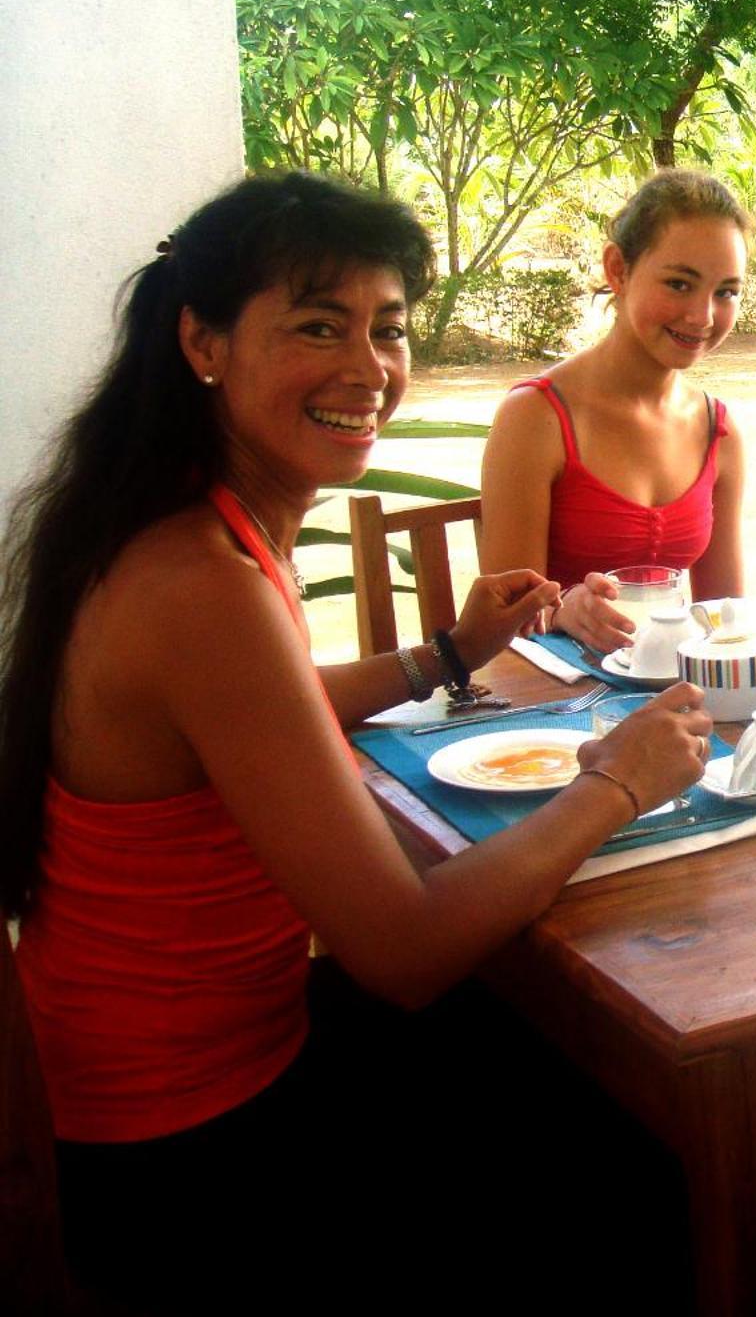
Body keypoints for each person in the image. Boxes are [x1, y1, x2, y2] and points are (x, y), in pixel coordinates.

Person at [0, 172, 713, 1311]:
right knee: (633, 1153)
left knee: (570, 1068)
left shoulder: (192, 527)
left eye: (388, 330)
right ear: (204, 342)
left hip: (191, 1068)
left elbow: (265, 710)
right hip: (181, 1151)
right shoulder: (199, 584)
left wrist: (443, 655)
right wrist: (613, 784)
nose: (368, 367)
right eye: (317, 326)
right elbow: (404, 947)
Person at [479, 168, 750, 654]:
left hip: (664, 697)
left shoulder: (718, 430)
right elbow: (499, 625)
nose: (703, 316)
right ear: (617, 270)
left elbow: (723, 620)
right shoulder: (537, 417)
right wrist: (563, 608)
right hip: (553, 705)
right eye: (679, 283)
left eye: (725, 292)